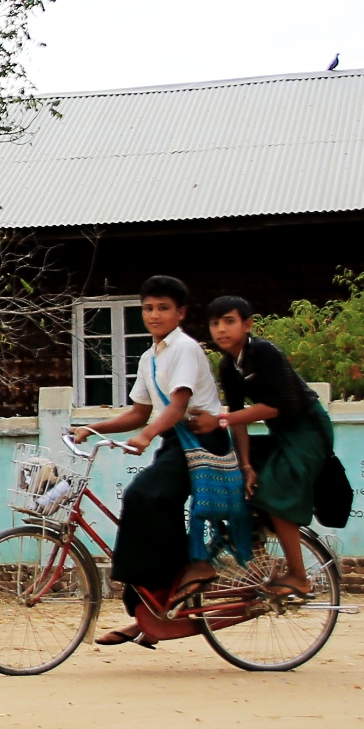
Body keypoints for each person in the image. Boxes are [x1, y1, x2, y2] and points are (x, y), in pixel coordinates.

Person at [71, 275, 230, 648]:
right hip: (176, 443)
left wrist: (147, 436)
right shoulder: (149, 356)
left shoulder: (185, 349)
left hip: (202, 441)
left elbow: (177, 405)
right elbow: (140, 412)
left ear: (180, 313)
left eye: (162, 308)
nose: (154, 315)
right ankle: (149, 613)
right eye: (147, 308)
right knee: (146, 503)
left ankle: (188, 572)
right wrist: (92, 427)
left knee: (145, 495)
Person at [206, 294, 333, 597]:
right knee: (229, 471)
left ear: (247, 325)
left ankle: (299, 577)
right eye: (214, 324)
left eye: (229, 321)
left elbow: (273, 408)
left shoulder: (264, 352)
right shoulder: (227, 365)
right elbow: (239, 421)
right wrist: (245, 464)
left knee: (276, 489)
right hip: (281, 433)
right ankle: (259, 557)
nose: (221, 329)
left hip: (308, 430)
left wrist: (222, 418)